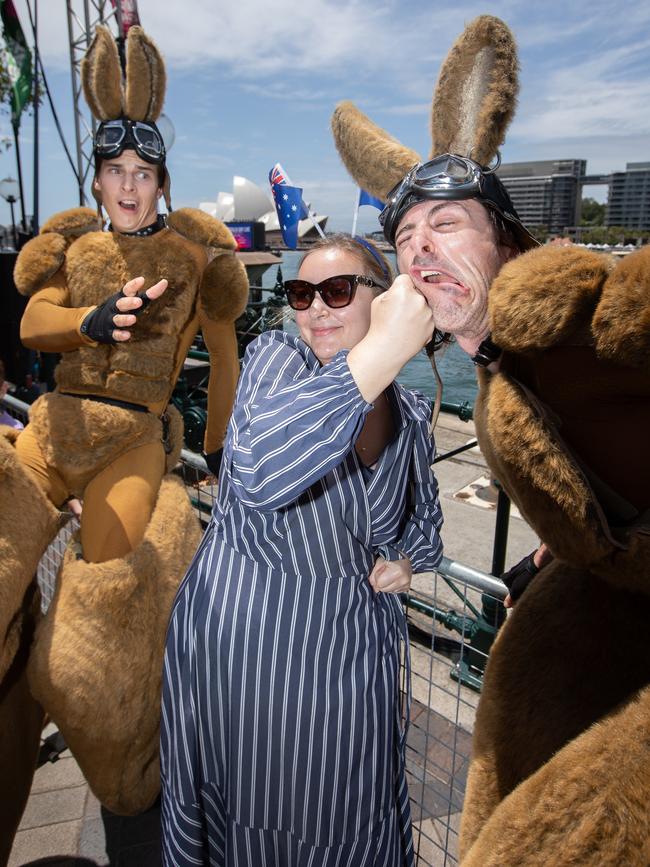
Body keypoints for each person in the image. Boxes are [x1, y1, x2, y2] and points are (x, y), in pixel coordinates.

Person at [331, 14, 650, 866]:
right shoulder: (506, 370)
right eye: (404, 237)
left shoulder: (565, 316)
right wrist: (559, 549)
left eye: (447, 223)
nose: (421, 248)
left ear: (506, 237)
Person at [0, 23, 249, 836]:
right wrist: (92, 321)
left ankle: (125, 765)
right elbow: (33, 321)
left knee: (99, 620)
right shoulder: (71, 236)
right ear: (100, 177)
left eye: (143, 173)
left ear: (161, 179)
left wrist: (218, 455)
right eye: (116, 171)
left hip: (135, 438)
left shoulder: (196, 251)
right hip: (53, 429)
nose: (129, 186)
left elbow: (225, 354)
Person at [160, 234, 444, 866]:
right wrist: (387, 350)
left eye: (337, 291)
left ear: (386, 295)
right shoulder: (278, 358)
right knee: (253, 810)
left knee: (348, 811)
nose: (315, 308)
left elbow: (423, 521)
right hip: (252, 650)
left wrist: (407, 560)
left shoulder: (415, 411)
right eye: (299, 293)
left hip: (350, 655)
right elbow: (263, 468)